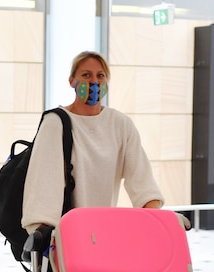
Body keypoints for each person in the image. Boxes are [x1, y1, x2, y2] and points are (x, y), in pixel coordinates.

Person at [21, 50, 179, 234]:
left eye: (100, 76)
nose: (94, 82)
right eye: (86, 75)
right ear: (72, 81)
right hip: (66, 236)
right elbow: (44, 184)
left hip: (104, 233)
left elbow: (142, 181)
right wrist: (43, 235)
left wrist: (157, 221)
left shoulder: (120, 124)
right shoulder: (55, 123)